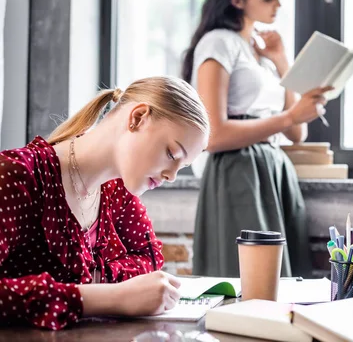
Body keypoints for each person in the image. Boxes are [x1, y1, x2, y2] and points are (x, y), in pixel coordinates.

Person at [0, 76, 209, 330]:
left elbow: (149, 259)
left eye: (182, 166)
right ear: (138, 118)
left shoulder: (119, 190)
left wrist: (95, 280)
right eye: (172, 154)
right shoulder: (16, 175)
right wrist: (110, 297)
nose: (172, 176)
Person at [182, 0, 331, 278]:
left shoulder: (260, 52)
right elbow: (214, 134)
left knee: (281, 282)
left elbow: (297, 134)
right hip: (237, 171)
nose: (277, 5)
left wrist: (280, 60)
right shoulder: (219, 43)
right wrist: (290, 117)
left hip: (272, 166)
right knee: (250, 281)